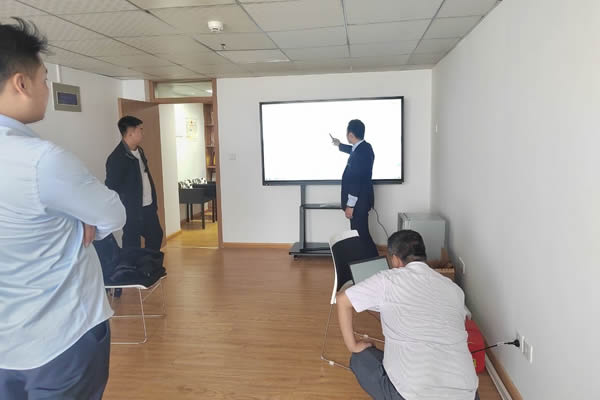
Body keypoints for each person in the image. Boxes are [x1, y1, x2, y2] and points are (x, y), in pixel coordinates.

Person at [0, 19, 126, 399]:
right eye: (44, 80)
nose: (46, 89)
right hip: (61, 338)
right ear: (21, 84)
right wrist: (83, 223)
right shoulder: (41, 160)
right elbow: (113, 213)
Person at [336, 230, 479, 400]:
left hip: (411, 394)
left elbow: (342, 300)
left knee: (360, 359)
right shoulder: (453, 288)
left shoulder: (387, 280)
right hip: (467, 393)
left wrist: (353, 346)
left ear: (395, 259)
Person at [106, 116, 163, 250]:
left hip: (148, 206)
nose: (142, 133)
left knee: (156, 236)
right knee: (132, 244)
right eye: (140, 129)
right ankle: (134, 264)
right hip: (131, 210)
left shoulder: (139, 151)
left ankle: (149, 263)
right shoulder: (116, 158)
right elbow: (112, 187)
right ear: (130, 132)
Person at [331, 119, 378, 257]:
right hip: (362, 200)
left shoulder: (360, 153)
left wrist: (350, 205)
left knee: (361, 235)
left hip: (358, 202)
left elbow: (356, 180)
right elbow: (352, 150)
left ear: (351, 135)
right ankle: (370, 261)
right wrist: (339, 144)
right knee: (361, 233)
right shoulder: (364, 148)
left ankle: (373, 261)